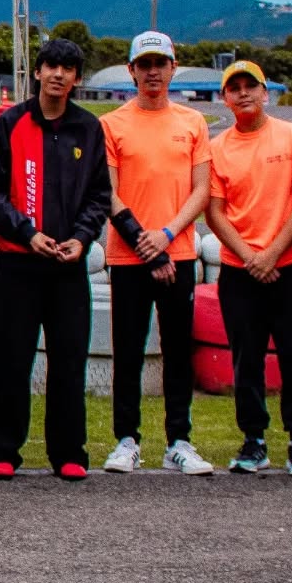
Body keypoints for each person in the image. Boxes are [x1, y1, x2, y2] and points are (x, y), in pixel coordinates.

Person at [0, 39, 111, 480]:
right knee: (12, 359)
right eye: (51, 66)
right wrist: (28, 234)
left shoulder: (89, 129)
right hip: (19, 262)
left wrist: (80, 238)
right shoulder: (11, 123)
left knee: (69, 360)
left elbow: (99, 195)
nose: (58, 74)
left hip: (69, 266)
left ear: (76, 77)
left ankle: (69, 452)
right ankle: (3, 451)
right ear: (37, 72)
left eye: (68, 68)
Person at [101, 31, 213, 474]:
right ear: (131, 70)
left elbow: (201, 190)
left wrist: (166, 236)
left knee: (177, 351)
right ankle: (126, 439)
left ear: (172, 68)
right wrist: (145, 245)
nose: (152, 72)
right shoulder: (112, 124)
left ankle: (179, 441)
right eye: (143, 64)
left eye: (159, 64)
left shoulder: (193, 122)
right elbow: (108, 194)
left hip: (179, 253)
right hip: (128, 255)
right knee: (127, 350)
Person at [206, 60, 292, 476]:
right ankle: (253, 441)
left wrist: (272, 253)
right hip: (240, 270)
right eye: (233, 88)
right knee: (246, 358)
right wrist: (252, 258)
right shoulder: (217, 148)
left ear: (264, 92)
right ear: (225, 99)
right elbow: (215, 212)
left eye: (250, 86)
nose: (243, 93)